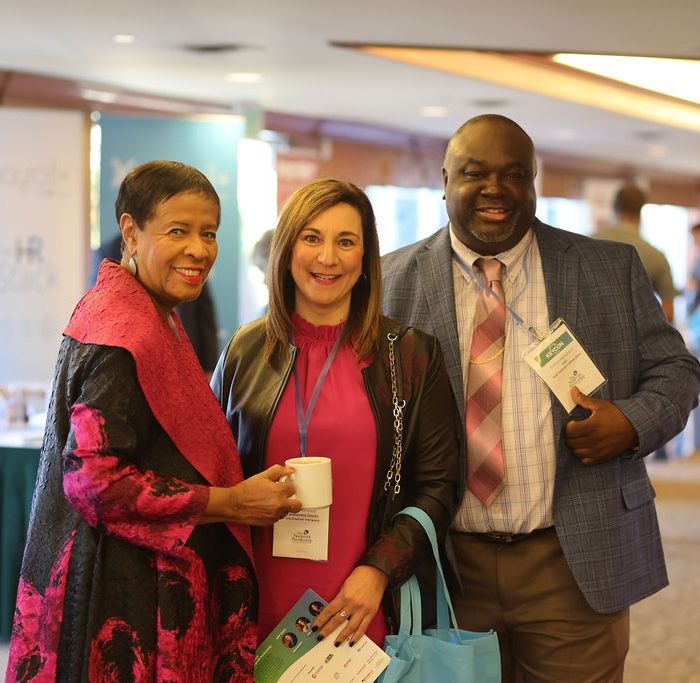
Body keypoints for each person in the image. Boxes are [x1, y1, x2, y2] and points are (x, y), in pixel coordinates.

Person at [382, 114, 700, 682]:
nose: (494, 189)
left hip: (571, 560)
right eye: (474, 172)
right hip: (445, 564)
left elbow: (677, 370)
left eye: (514, 174)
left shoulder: (608, 269)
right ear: (445, 179)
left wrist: (630, 423)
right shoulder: (390, 283)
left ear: (535, 181)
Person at [6, 160, 300, 682]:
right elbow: (94, 481)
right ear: (130, 231)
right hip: (124, 599)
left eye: (208, 233)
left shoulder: (143, 308)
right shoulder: (124, 332)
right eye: (178, 231)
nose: (199, 249)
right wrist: (231, 502)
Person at [211, 178, 461, 648]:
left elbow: (439, 484)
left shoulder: (409, 355)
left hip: (363, 608)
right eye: (312, 238)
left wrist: (379, 569)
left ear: (365, 261)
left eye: (346, 242)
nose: (328, 257)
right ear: (286, 251)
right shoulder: (245, 350)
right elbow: (212, 472)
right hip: (253, 608)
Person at [90, 232, 220, 377]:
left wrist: (209, 367)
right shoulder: (107, 252)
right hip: (134, 361)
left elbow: (205, 314)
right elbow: (102, 310)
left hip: (188, 358)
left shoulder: (188, 255)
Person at [593, 183, 677, 321]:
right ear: (641, 208)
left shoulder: (588, 242)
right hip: (634, 338)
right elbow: (668, 312)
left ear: (615, 207)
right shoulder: (657, 256)